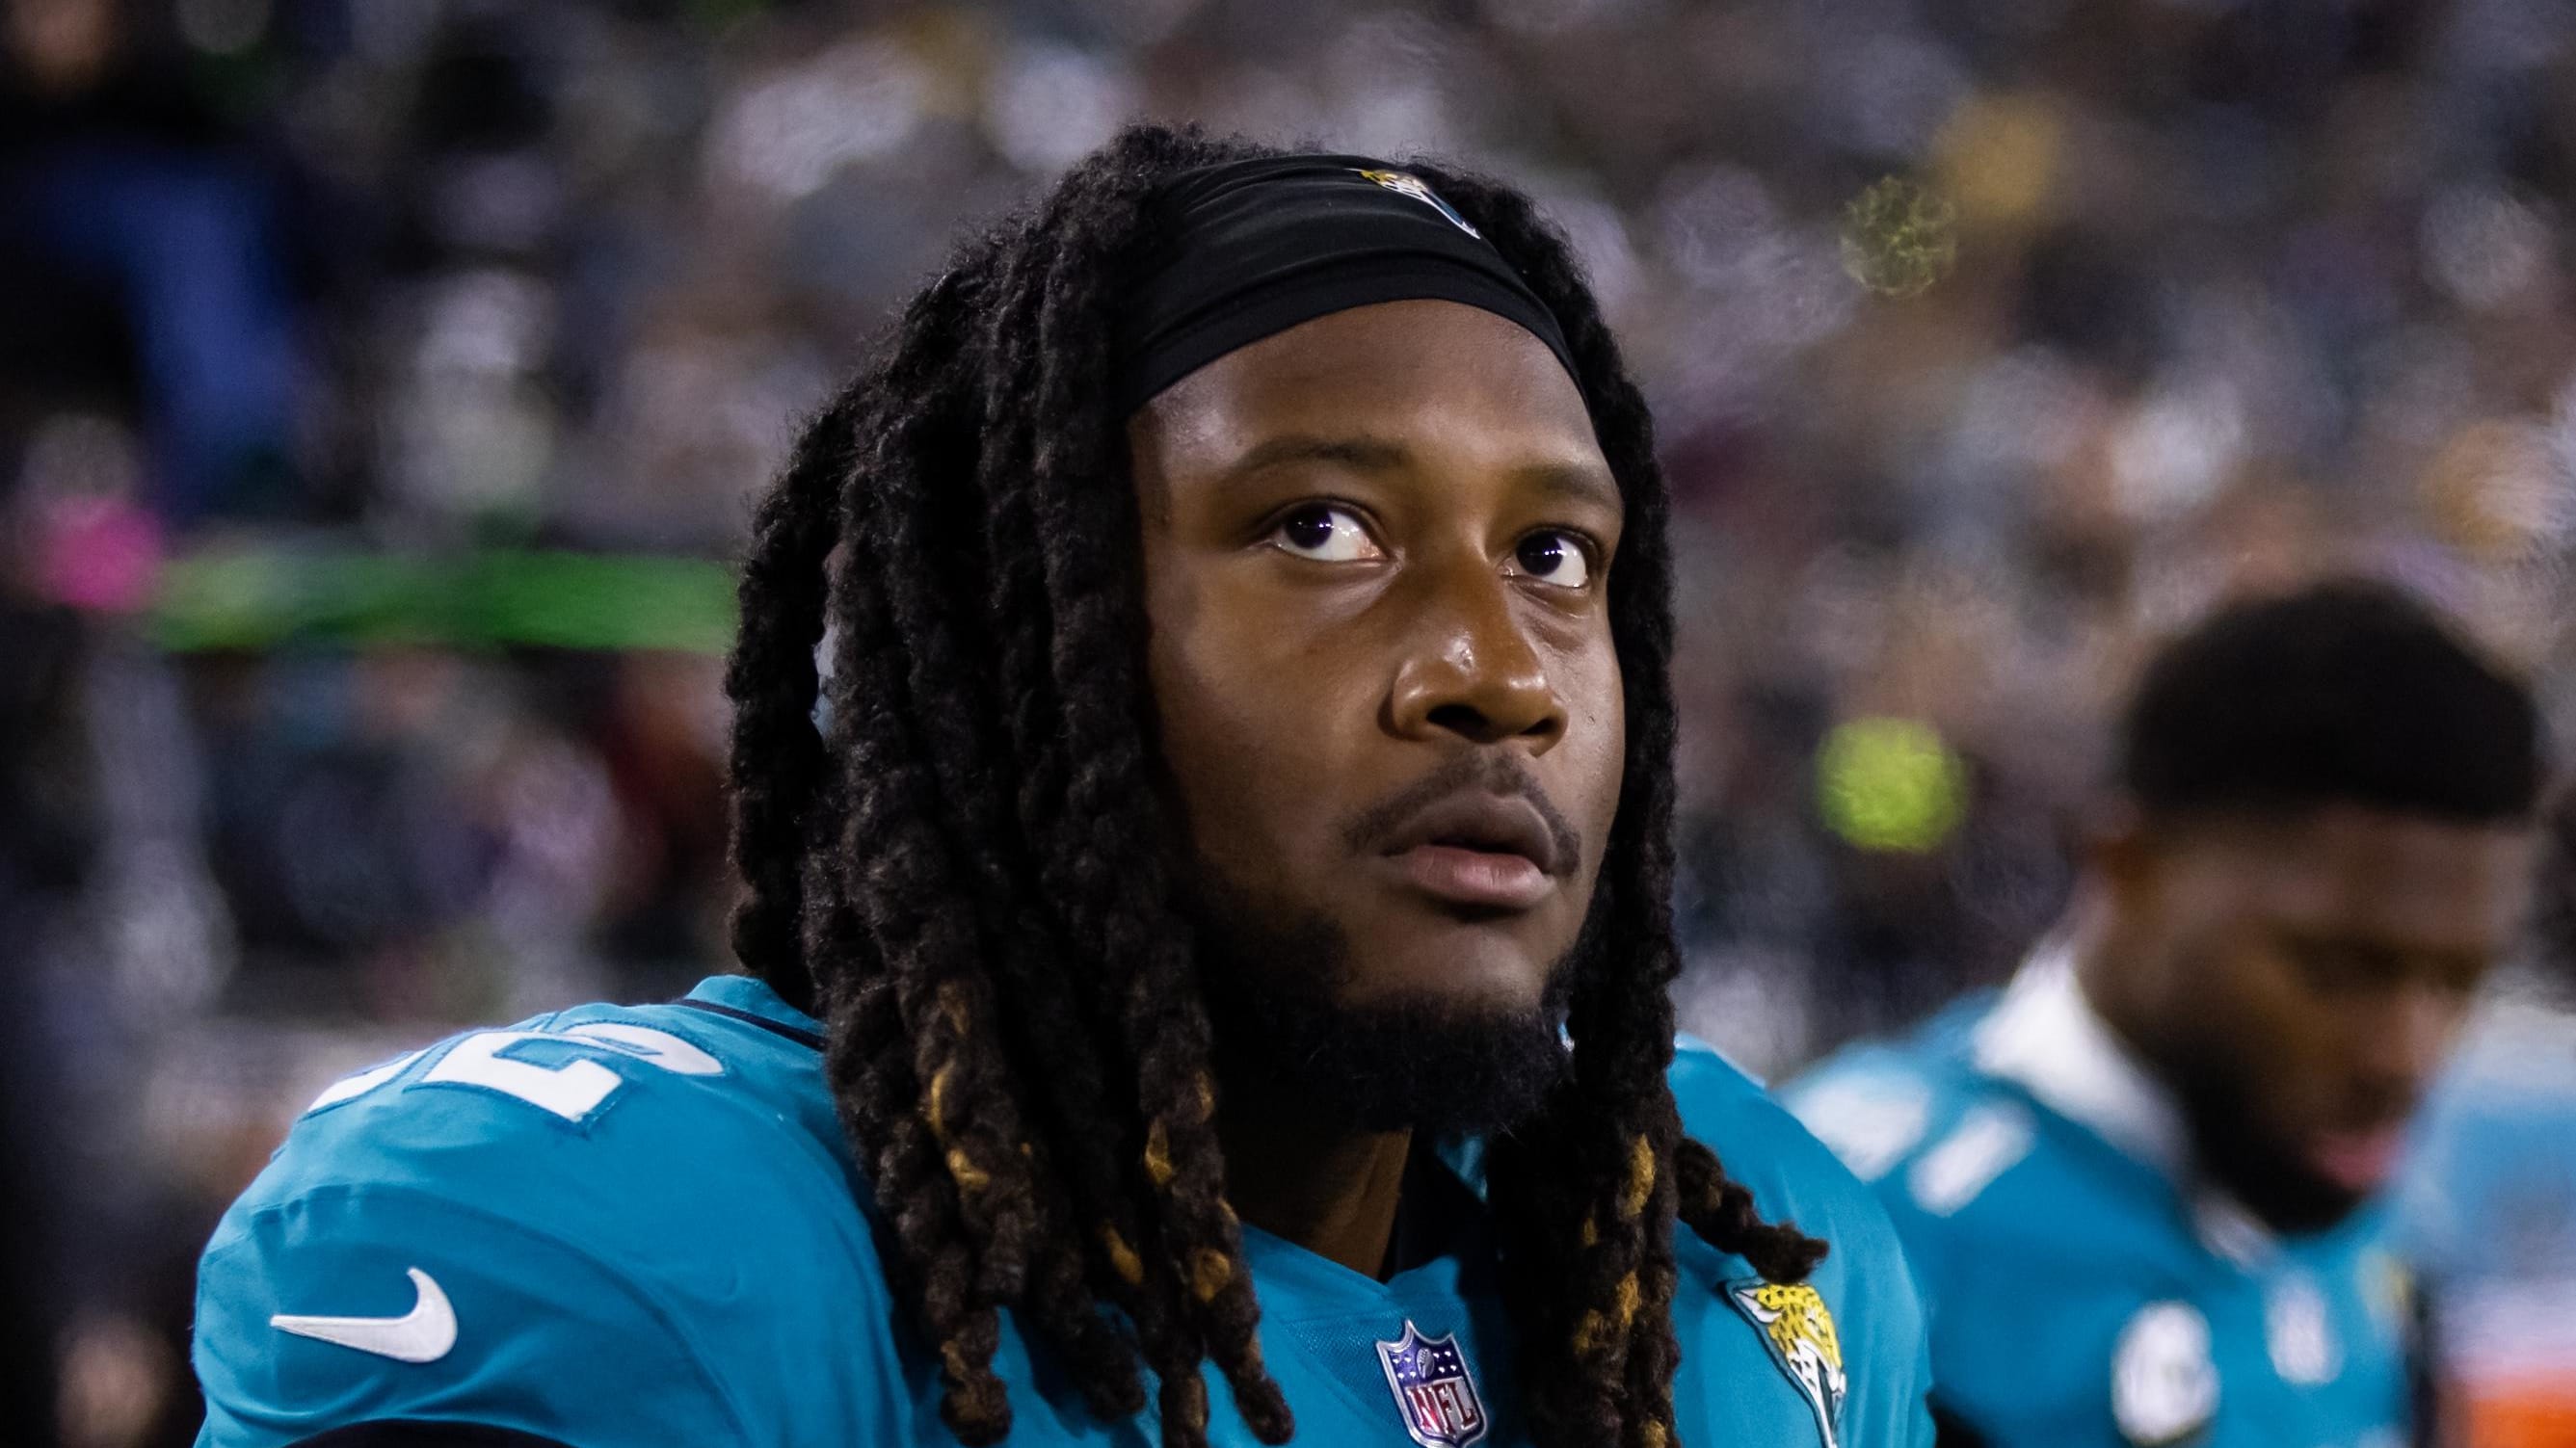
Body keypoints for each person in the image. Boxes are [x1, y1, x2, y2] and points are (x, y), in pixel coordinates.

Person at [190, 126, 1933, 1448]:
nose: (1497, 671)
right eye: (1320, 527)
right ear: (1019, 631)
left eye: (1554, 555)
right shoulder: (636, 1247)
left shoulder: (1737, 1246)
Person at [1784, 579, 2544, 1448]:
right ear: (2131, 866)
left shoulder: (2351, 1205)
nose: (2402, 1055)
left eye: (2457, 979)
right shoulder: (1836, 1231)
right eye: (2333, 971)